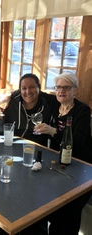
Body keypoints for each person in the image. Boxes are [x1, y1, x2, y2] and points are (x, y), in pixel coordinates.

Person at [34, 72, 92, 235]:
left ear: (75, 90)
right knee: (40, 197)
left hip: (82, 167)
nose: (61, 91)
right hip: (57, 164)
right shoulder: (54, 104)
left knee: (68, 210)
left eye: (66, 87)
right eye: (58, 87)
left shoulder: (82, 111)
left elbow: (77, 142)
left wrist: (53, 131)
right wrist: (8, 97)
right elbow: (32, 90)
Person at [0, 73, 57, 147]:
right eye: (24, 88)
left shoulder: (48, 105)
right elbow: (0, 131)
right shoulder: (11, 103)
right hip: (12, 146)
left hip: (36, 149)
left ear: (38, 87)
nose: (28, 91)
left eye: (32, 87)